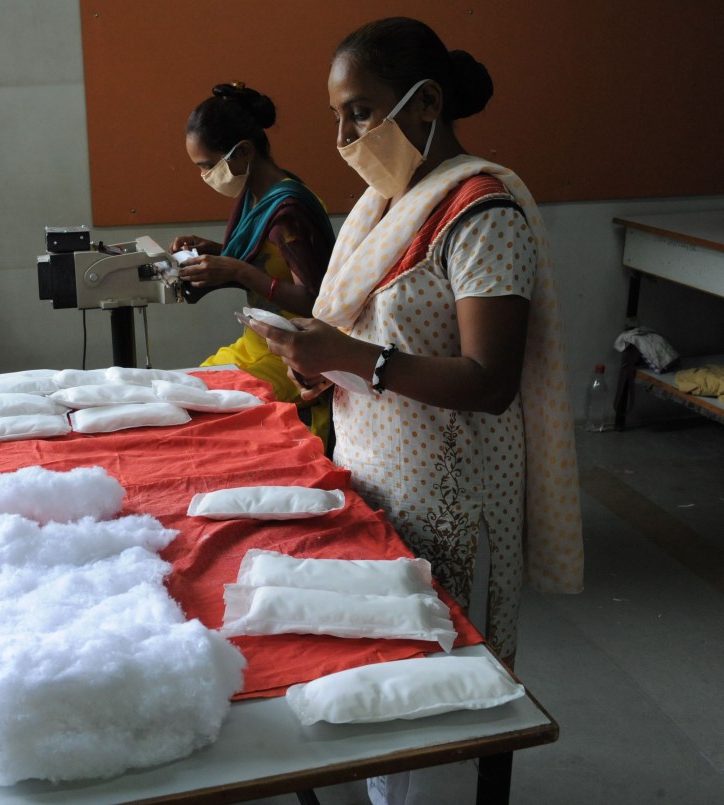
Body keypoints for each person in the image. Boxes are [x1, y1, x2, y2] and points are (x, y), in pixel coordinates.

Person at [246, 18, 584, 670]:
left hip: (451, 499)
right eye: (336, 117)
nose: (344, 138)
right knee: (386, 664)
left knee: (444, 676)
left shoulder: (482, 213)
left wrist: (349, 358)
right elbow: (365, 335)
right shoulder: (381, 208)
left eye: (360, 113)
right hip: (375, 475)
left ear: (427, 102)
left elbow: (489, 381)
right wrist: (318, 363)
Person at [172, 83, 335, 431]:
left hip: (293, 352)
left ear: (243, 151)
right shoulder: (257, 197)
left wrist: (238, 271)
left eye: (208, 166)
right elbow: (266, 257)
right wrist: (214, 252)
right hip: (257, 343)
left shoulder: (289, 210)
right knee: (183, 388)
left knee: (201, 413)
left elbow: (313, 300)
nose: (205, 177)